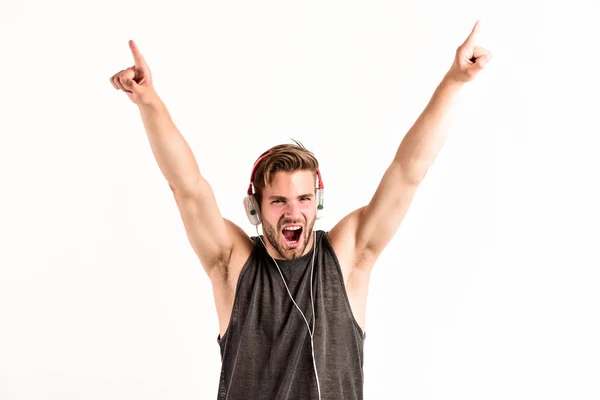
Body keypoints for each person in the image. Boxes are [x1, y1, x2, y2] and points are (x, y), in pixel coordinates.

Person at [109, 20, 491, 400]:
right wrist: (149, 102)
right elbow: (187, 187)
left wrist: (454, 81)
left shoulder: (348, 257)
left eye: (304, 199)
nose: (294, 213)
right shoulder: (232, 265)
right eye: (278, 201)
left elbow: (408, 171)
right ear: (255, 209)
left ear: (318, 202)